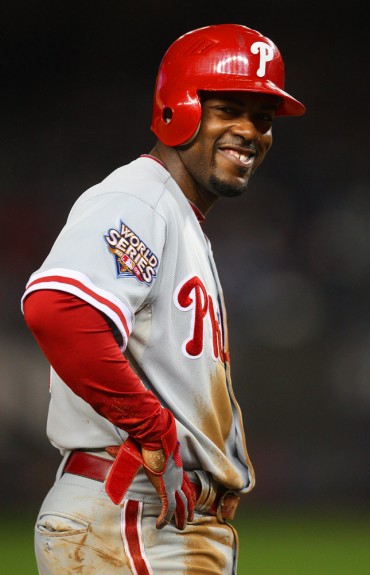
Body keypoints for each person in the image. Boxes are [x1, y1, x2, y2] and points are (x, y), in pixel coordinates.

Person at [22, 23, 305, 575]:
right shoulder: (140, 196)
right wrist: (153, 429)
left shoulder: (173, 213)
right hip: (132, 515)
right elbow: (59, 309)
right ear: (179, 108)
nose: (251, 132)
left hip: (148, 518)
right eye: (229, 109)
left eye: (263, 118)